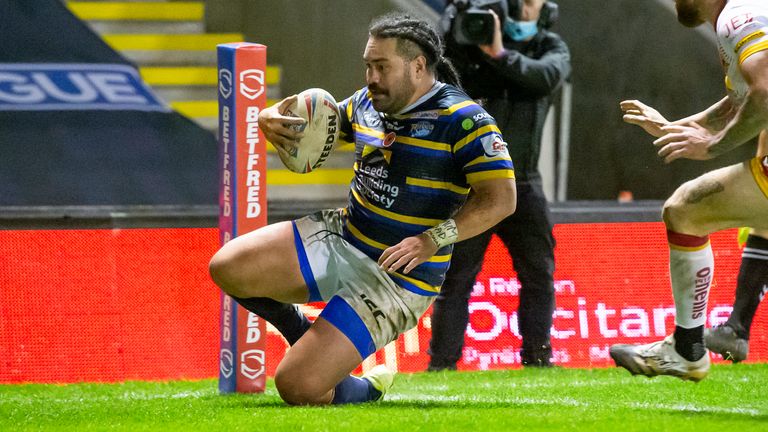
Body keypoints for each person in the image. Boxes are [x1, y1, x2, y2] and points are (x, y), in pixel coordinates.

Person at [209, 12, 517, 405]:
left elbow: (501, 200)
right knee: (228, 267)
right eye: (368, 65)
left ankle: (366, 388)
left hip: (398, 277)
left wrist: (431, 239)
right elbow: (317, 123)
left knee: (297, 388)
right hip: (343, 237)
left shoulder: (465, 120)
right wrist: (271, 116)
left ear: (418, 65)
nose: (371, 77)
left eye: (382, 66)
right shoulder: (366, 103)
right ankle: (302, 332)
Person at [610, 0, 768, 381]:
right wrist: (674, 129)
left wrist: (712, 148)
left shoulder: (739, 15)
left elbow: (764, 92)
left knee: (685, 210)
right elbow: (742, 99)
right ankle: (700, 342)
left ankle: (687, 350)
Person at [427, 0, 570, 371]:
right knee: (456, 278)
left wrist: (500, 54)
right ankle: (441, 366)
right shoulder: (474, 48)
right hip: (476, 186)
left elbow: (545, 77)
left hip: (524, 183)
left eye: (532, 0)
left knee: (538, 274)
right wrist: (456, 18)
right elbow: (442, 68)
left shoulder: (550, 47)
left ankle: (538, 359)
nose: (525, 6)